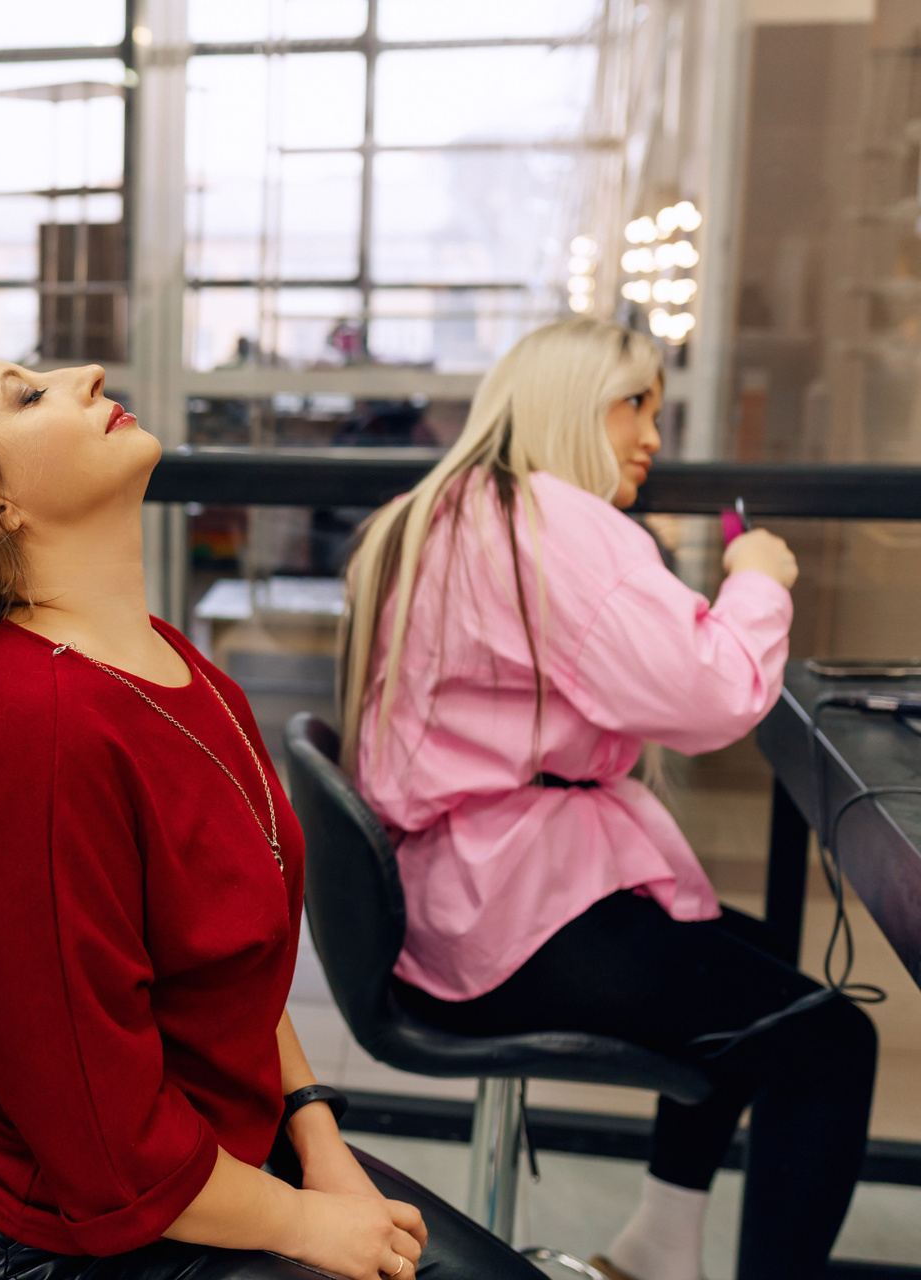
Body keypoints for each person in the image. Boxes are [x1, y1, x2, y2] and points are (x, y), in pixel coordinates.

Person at [0, 326, 546, 1280]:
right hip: (55, 1235)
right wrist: (301, 1223)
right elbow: (97, 1130)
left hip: (202, 1168)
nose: (88, 374)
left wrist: (315, 1134)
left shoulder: (170, 659)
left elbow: (229, 971)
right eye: (29, 396)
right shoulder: (35, 732)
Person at [339, 317, 877, 1280]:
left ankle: (656, 1249)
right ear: (569, 404)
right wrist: (758, 582)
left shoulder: (441, 510)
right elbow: (711, 694)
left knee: (749, 962)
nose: (653, 437)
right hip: (505, 919)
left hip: (444, 902)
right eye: (635, 405)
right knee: (832, 1041)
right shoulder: (554, 524)